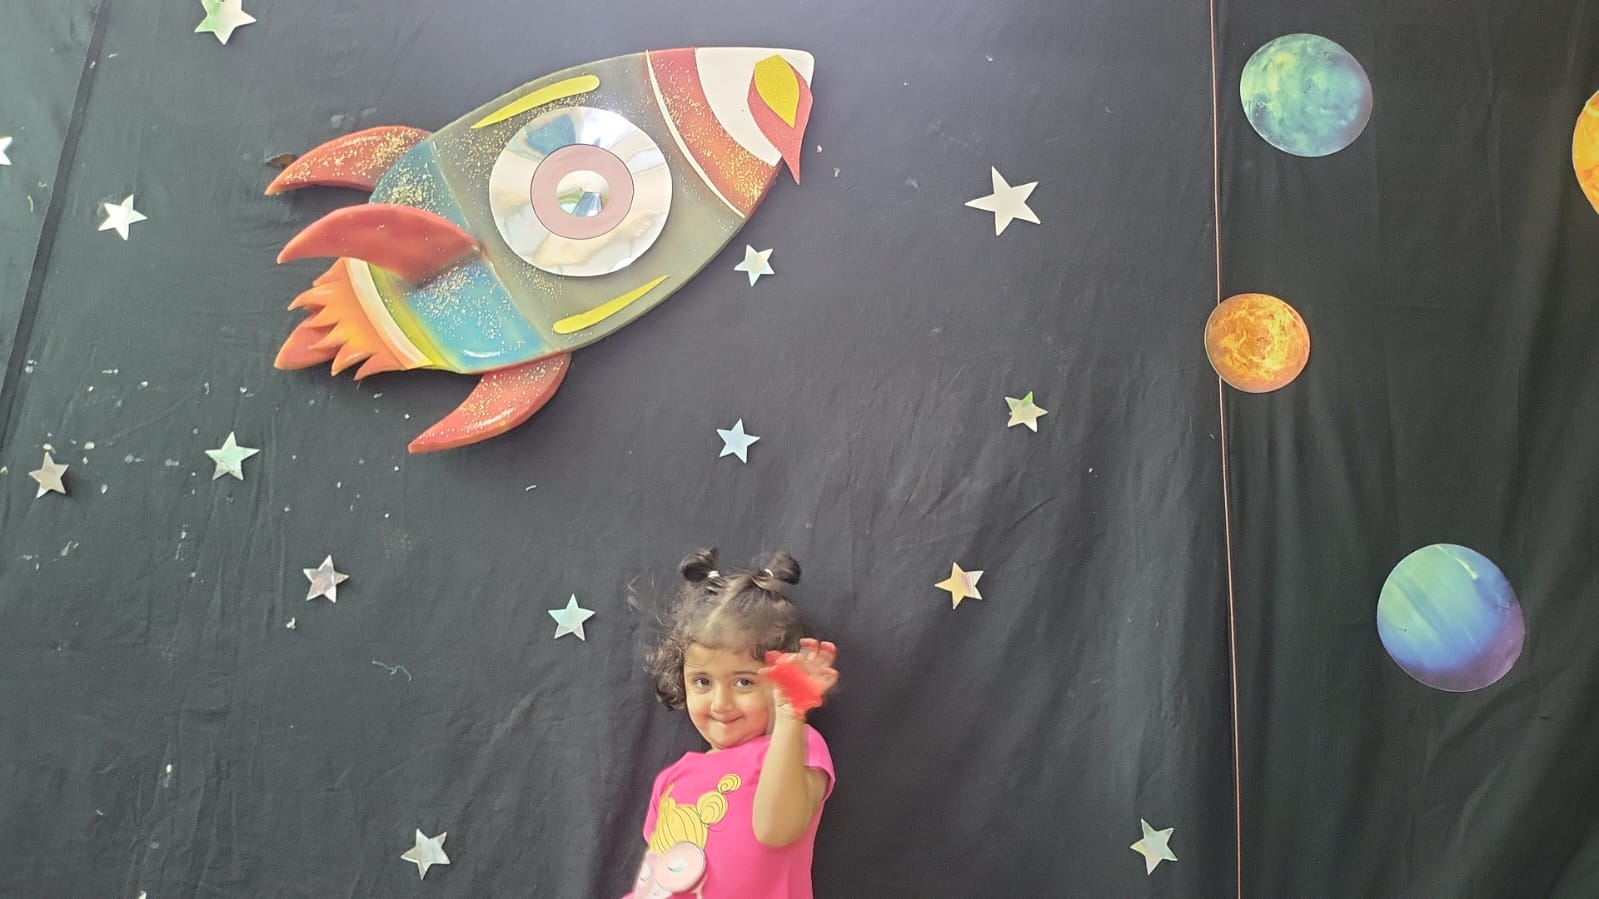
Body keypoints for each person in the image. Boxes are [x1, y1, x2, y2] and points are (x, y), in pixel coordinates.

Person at [624, 548, 839, 899]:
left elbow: (776, 830)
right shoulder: (671, 780)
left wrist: (790, 713)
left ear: (779, 681)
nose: (720, 703)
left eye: (743, 682)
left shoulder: (796, 744)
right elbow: (653, 881)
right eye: (702, 682)